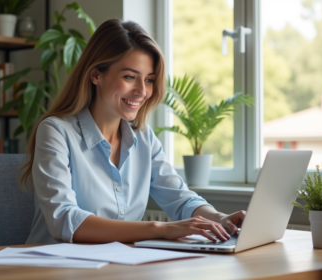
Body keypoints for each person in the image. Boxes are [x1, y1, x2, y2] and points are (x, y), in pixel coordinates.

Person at [21, 19, 245, 244]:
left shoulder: (144, 137)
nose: (142, 91)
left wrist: (220, 218)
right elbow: (64, 220)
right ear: (96, 75)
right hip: (54, 269)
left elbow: (182, 199)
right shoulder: (55, 131)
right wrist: (161, 229)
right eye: (129, 77)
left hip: (119, 267)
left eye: (149, 80)